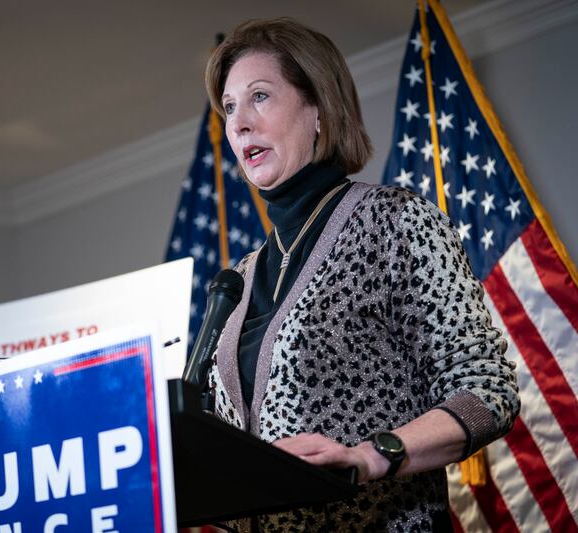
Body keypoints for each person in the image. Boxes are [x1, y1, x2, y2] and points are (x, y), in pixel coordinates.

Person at [203, 18, 520, 532]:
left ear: (320, 111)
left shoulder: (394, 222)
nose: (238, 123)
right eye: (231, 106)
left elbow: (489, 392)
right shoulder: (234, 284)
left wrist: (375, 456)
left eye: (260, 96)